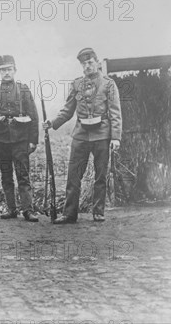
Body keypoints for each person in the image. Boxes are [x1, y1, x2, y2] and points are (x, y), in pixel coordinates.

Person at [43, 47, 122, 224]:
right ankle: (70, 214)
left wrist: (116, 137)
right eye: (83, 63)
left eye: (90, 62)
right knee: (73, 175)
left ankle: (98, 212)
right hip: (80, 136)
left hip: (102, 135)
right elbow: (68, 110)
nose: (87, 66)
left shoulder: (109, 84)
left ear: (97, 62)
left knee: (101, 175)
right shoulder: (77, 84)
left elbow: (115, 112)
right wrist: (53, 123)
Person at [0, 55, 40, 222]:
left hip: (21, 140)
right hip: (0, 141)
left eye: (9, 69)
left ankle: (28, 210)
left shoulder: (23, 90)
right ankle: (11, 209)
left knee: (23, 175)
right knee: (6, 175)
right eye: (3, 70)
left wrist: (33, 140)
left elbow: (33, 116)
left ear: (15, 70)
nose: (6, 73)